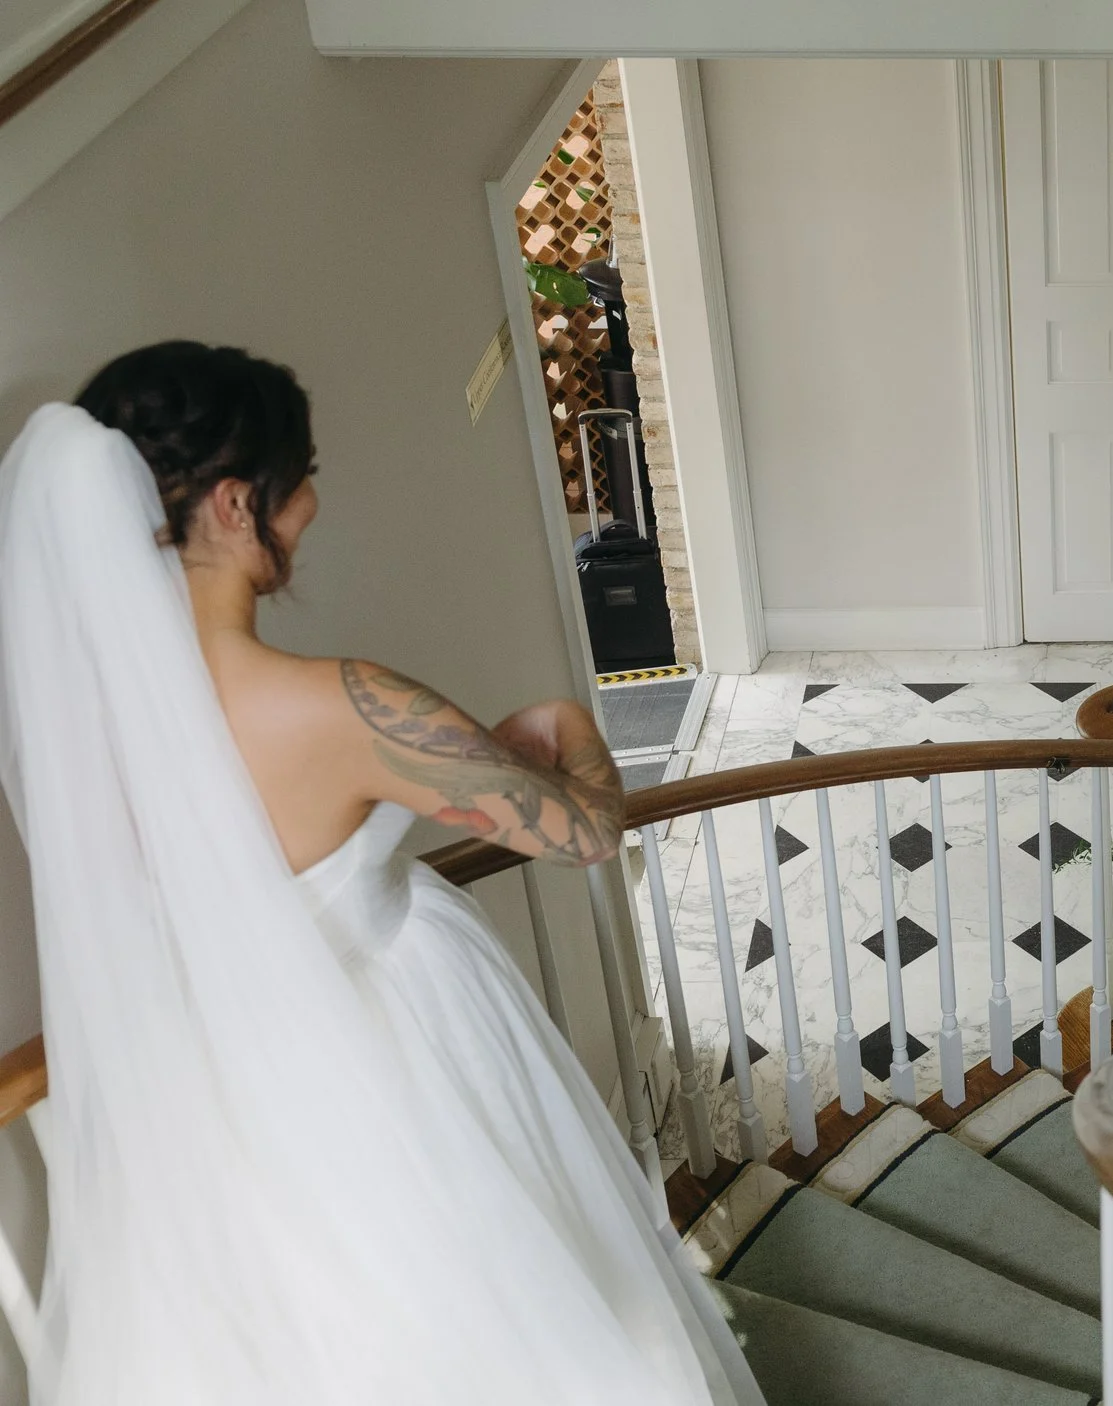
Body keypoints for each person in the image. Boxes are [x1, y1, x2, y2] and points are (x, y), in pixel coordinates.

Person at [0, 343, 762, 1403]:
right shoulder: (340, 706)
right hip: (401, 1056)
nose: (309, 502)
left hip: (219, 1107)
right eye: (297, 475)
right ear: (233, 503)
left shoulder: (75, 742)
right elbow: (584, 830)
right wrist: (569, 726)